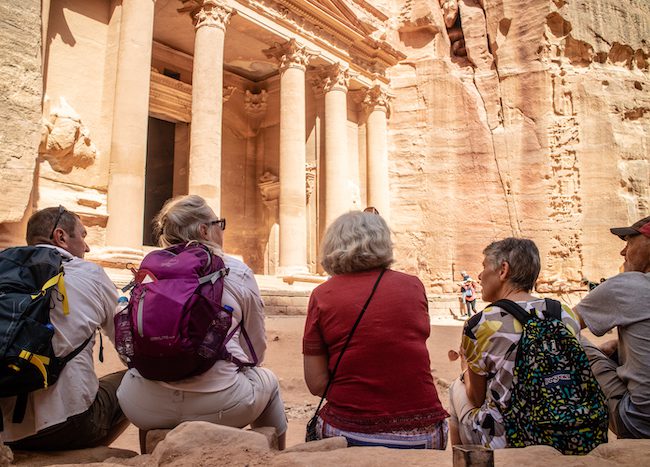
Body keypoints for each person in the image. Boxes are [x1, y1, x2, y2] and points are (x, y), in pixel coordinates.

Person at [116, 195, 287, 449]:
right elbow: (255, 348)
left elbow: (132, 342)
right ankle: (276, 458)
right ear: (204, 230)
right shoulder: (235, 270)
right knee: (268, 380)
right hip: (222, 404)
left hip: (143, 406)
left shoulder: (148, 270)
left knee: (141, 382)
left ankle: (150, 458)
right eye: (219, 223)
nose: (222, 230)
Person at [303, 211, 449, 449]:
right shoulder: (413, 286)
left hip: (348, 432)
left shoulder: (322, 295)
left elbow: (317, 384)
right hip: (423, 435)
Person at [1, 206, 127, 450]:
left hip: (3, 431)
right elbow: (128, 346)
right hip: (67, 426)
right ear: (61, 237)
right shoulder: (91, 274)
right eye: (83, 235)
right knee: (137, 379)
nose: (87, 247)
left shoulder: (4, 271)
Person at [448, 238, 582, 449]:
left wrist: (465, 367)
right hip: (567, 429)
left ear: (503, 270)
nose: (480, 276)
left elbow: (476, 398)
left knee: (455, 387)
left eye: (484, 267)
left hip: (508, 437)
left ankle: (465, 458)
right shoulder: (564, 313)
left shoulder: (479, 323)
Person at [575, 215, 650, 438]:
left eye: (629, 242)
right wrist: (621, 344)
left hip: (638, 422)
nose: (623, 252)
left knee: (572, 339)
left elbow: (560, 325)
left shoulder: (628, 285)